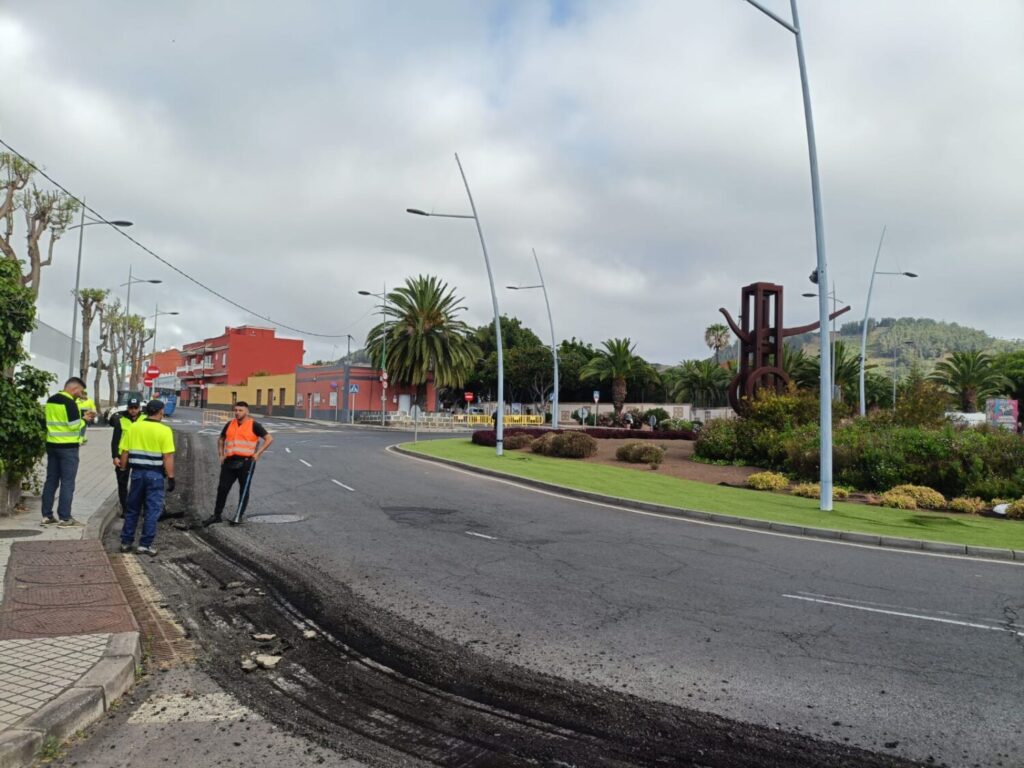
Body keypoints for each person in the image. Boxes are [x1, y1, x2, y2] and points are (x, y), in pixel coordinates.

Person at [118, 399, 175, 556]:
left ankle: (126, 542)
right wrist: (171, 477)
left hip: (137, 474)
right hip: (155, 475)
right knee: (152, 510)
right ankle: (144, 545)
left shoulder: (134, 427)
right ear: (160, 411)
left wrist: (123, 469)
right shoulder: (165, 430)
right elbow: (168, 456)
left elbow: (125, 452)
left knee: (132, 508)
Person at [203, 402, 273, 527]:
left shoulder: (254, 425)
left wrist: (258, 454)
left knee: (244, 490)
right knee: (222, 489)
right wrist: (221, 454)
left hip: (246, 463)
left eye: (240, 410)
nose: (237, 412)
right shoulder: (230, 424)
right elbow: (221, 438)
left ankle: (238, 515)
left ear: (247, 412)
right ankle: (217, 515)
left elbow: (269, 439)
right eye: (235, 410)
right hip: (229, 462)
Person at [41, 377, 92, 527]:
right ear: (74, 389)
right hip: (68, 448)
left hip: (52, 445)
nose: (80, 394)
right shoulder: (69, 403)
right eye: (80, 391)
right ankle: (65, 517)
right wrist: (85, 419)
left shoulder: (51, 400)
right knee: (67, 483)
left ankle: (46, 516)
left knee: (51, 480)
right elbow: (73, 426)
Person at [110, 397, 144, 518]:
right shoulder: (121, 420)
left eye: (136, 408)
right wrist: (115, 456)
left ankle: (138, 508)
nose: (133, 410)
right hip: (123, 456)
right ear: (128, 408)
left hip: (140, 455)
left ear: (139, 408)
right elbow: (115, 440)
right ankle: (125, 508)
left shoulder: (145, 419)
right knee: (122, 483)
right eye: (131, 408)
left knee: (140, 483)